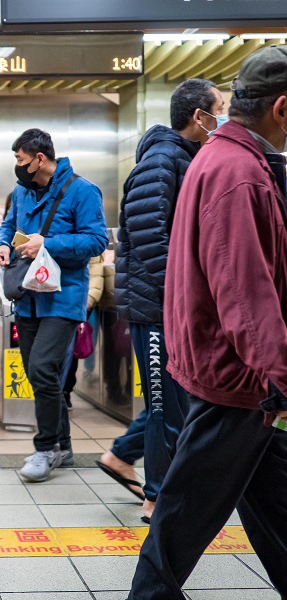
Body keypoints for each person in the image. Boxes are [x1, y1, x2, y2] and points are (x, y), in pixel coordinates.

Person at [127, 45, 287, 599]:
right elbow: (247, 295)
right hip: (237, 381)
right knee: (178, 526)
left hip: (240, 379)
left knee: (275, 514)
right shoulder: (238, 173)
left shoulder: (223, 159)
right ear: (282, 108)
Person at [98, 79, 225, 523]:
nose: (222, 118)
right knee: (162, 406)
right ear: (198, 117)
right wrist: (188, 297)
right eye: (219, 109)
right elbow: (154, 243)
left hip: (172, 306)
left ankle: (128, 462)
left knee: (178, 402)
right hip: (157, 309)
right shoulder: (162, 160)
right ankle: (156, 498)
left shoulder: (184, 158)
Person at [0, 128, 107, 483]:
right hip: (28, 298)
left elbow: (96, 240)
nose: (17, 165)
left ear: (39, 158)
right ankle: (65, 445)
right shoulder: (20, 192)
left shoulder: (82, 191)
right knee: (37, 374)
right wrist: (2, 245)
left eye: (20, 159)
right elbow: (10, 227)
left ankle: (45, 448)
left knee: (43, 368)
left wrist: (49, 242)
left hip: (64, 297)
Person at [60, 253, 105, 410]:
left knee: (71, 350)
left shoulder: (89, 240)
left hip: (78, 302)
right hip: (56, 300)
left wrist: (89, 299)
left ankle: (65, 390)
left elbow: (96, 272)